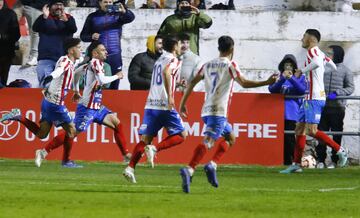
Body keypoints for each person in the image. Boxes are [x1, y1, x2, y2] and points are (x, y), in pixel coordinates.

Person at [179, 36, 277, 193]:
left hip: (206, 110)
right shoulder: (230, 65)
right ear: (232, 49)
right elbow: (244, 83)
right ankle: (189, 169)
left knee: (231, 137)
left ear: (219, 48)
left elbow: (192, 82)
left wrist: (182, 103)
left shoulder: (207, 64)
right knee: (209, 141)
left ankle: (212, 165)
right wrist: (266, 82)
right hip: (218, 111)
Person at [34, 41, 131, 167]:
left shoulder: (93, 64)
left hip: (96, 107)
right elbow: (102, 80)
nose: (106, 52)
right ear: (95, 53)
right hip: (87, 108)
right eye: (102, 50)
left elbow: (76, 73)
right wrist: (117, 76)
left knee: (117, 123)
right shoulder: (95, 62)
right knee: (72, 133)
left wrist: (75, 90)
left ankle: (126, 155)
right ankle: (43, 152)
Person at [0, 38, 82, 167]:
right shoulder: (66, 62)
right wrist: (51, 76)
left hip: (48, 101)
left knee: (42, 134)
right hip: (56, 103)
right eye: (79, 47)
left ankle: (18, 116)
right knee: (72, 131)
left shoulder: (71, 61)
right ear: (72, 50)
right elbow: (59, 70)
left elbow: (80, 61)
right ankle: (62, 159)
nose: (81, 50)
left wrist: (76, 90)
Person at [280, 29, 348, 174]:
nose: (302, 39)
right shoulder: (320, 53)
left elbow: (317, 63)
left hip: (314, 98)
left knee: (312, 130)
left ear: (310, 39)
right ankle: (296, 164)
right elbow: (333, 67)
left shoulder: (313, 52)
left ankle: (340, 150)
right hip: (310, 98)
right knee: (299, 129)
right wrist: (319, 71)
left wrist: (302, 71)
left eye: (303, 36)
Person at [123, 35, 187, 183]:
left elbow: (162, 77)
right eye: (179, 44)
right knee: (181, 135)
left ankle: (130, 168)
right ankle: (155, 149)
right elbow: (166, 73)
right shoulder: (174, 60)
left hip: (151, 103)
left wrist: (176, 84)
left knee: (145, 140)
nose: (180, 46)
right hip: (164, 104)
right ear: (174, 46)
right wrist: (171, 95)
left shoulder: (159, 59)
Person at [80, 0, 135, 90]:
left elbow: (130, 18)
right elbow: (83, 36)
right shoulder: (92, 17)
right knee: (96, 81)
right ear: (100, 3)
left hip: (115, 55)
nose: (108, 4)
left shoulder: (118, 14)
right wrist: (91, 36)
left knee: (115, 81)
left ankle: (112, 103)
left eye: (110, 2)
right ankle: (93, 102)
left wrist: (124, 11)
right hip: (98, 55)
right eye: (105, 2)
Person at [316, 45, 354, 169]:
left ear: (337, 55)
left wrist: (337, 93)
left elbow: (350, 88)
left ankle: (335, 160)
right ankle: (320, 160)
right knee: (321, 134)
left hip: (337, 109)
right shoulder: (323, 68)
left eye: (330, 53)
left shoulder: (346, 71)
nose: (327, 55)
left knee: (336, 134)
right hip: (322, 107)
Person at [268, 54, 307, 165]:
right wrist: (282, 79)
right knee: (280, 138)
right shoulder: (278, 76)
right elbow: (272, 89)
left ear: (294, 66)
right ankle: (283, 161)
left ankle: (291, 161)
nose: (288, 67)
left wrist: (292, 78)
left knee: (289, 138)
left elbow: (302, 90)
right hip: (277, 112)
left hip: (291, 113)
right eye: (286, 64)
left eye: (290, 65)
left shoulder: (300, 77)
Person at [33, 0, 77, 88]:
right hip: (46, 58)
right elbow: (35, 28)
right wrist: (44, 17)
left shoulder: (69, 18)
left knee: (62, 87)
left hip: (64, 60)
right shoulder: (44, 18)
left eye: (61, 5)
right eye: (56, 5)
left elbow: (73, 29)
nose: (59, 7)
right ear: (49, 7)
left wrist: (66, 21)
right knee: (46, 86)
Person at [13, 0, 48, 66]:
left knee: (35, 31)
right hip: (20, 3)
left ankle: (34, 56)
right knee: (7, 25)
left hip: (36, 5)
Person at [0, 0, 20, 86]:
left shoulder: (10, 14)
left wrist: (2, 36)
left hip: (5, 52)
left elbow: (16, 34)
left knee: (3, 79)